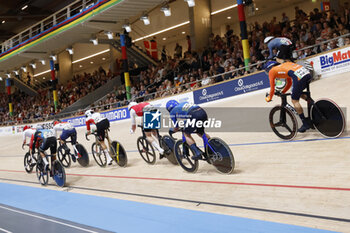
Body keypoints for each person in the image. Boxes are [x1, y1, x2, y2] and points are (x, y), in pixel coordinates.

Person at [264, 61, 313, 133]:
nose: (268, 72)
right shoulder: (284, 65)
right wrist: (283, 92)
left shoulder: (272, 71)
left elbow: (272, 88)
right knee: (297, 92)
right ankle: (313, 104)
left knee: (294, 100)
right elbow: (289, 83)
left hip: (299, 77)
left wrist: (269, 98)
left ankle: (305, 123)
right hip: (307, 74)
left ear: (270, 68)